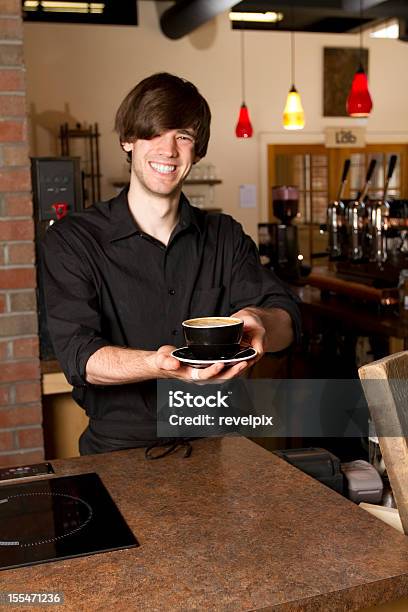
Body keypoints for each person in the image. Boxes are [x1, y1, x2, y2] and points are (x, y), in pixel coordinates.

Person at [42, 72, 301, 455]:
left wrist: (261, 322)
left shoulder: (224, 236)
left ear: (197, 152)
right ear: (128, 140)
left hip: (220, 446)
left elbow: (287, 318)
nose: (169, 150)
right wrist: (161, 364)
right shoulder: (73, 240)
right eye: (154, 133)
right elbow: (81, 357)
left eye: (183, 136)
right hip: (119, 450)